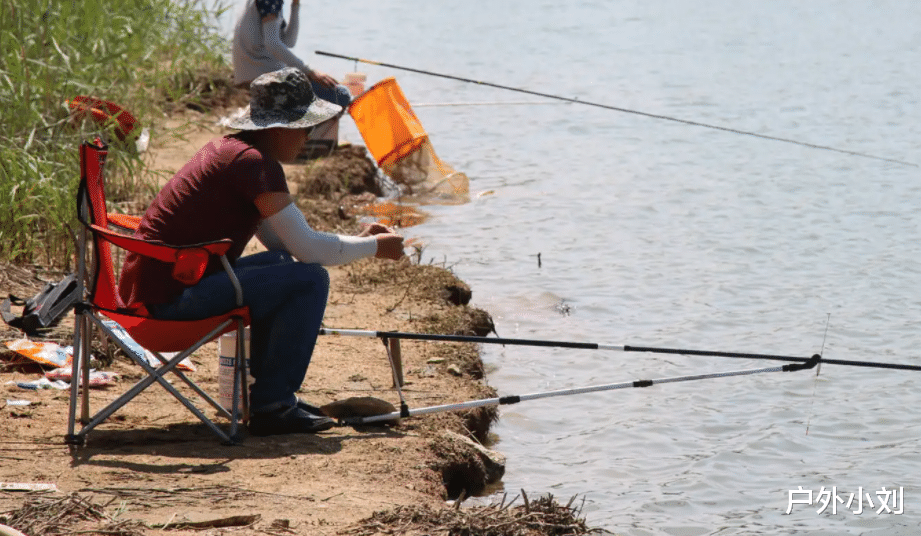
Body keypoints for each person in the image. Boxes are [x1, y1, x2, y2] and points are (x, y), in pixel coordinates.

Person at [117, 68, 405, 436]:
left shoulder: (232, 151)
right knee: (310, 280)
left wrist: (358, 238)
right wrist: (375, 247)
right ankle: (273, 405)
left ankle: (271, 397)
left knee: (283, 265)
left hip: (154, 293)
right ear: (279, 128)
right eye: (304, 126)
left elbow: (286, 245)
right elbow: (308, 249)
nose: (308, 136)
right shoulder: (255, 165)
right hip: (166, 306)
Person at [231, 0, 351, 108]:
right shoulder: (271, 2)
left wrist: (295, 5)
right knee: (341, 95)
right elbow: (273, 44)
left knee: (335, 91)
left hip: (252, 74)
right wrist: (309, 71)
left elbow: (288, 42)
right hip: (262, 78)